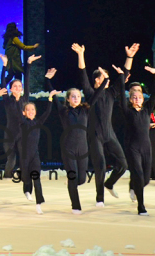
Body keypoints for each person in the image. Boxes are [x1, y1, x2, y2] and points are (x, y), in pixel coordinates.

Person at [72, 42, 133, 206]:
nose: (108, 79)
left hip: (109, 134)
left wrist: (130, 56)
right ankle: (100, 198)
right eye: (104, 76)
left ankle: (109, 184)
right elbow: (83, 73)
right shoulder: (91, 92)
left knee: (123, 164)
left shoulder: (112, 93)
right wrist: (81, 54)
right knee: (100, 166)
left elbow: (125, 74)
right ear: (98, 80)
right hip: (95, 135)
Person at [46, 67, 107, 214]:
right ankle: (76, 205)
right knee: (73, 178)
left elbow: (98, 93)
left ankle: (71, 182)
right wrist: (48, 79)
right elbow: (53, 95)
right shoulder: (63, 111)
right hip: (68, 148)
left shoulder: (85, 109)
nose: (76, 98)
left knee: (82, 179)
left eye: (78, 96)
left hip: (83, 148)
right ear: (67, 99)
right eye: (73, 96)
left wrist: (105, 79)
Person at [118, 64, 155, 215]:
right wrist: (122, 78)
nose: (136, 99)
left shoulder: (147, 109)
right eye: (134, 97)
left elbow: (154, 93)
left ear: (143, 99)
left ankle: (133, 185)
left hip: (146, 147)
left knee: (146, 179)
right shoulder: (127, 111)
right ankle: (141, 207)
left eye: (139, 97)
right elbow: (121, 97)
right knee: (139, 176)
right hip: (132, 147)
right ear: (131, 99)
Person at [0, 52, 41, 179]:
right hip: (10, 133)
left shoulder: (25, 99)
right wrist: (4, 65)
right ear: (11, 89)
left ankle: (24, 177)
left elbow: (27, 80)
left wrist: (28, 64)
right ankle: (7, 177)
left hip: (23, 133)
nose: (18, 88)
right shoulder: (7, 100)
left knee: (24, 157)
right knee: (11, 159)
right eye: (15, 86)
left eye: (19, 86)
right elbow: (2, 83)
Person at [19, 94, 53, 214]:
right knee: (26, 179)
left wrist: (50, 100)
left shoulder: (38, 122)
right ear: (24, 113)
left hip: (35, 155)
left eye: (32, 109)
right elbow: (17, 111)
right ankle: (26, 190)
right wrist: (18, 98)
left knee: (36, 178)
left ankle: (39, 203)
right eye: (27, 109)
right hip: (24, 156)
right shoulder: (23, 123)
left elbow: (47, 113)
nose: (30, 111)